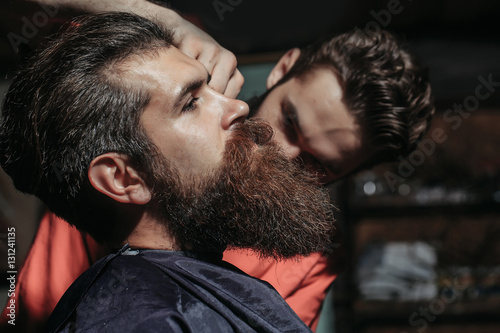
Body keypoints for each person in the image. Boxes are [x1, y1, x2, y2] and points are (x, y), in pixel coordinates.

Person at [0, 17, 435, 333]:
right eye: (288, 121)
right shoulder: (152, 110)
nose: (278, 151)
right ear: (283, 70)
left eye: (316, 164)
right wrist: (168, 26)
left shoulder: (306, 255)